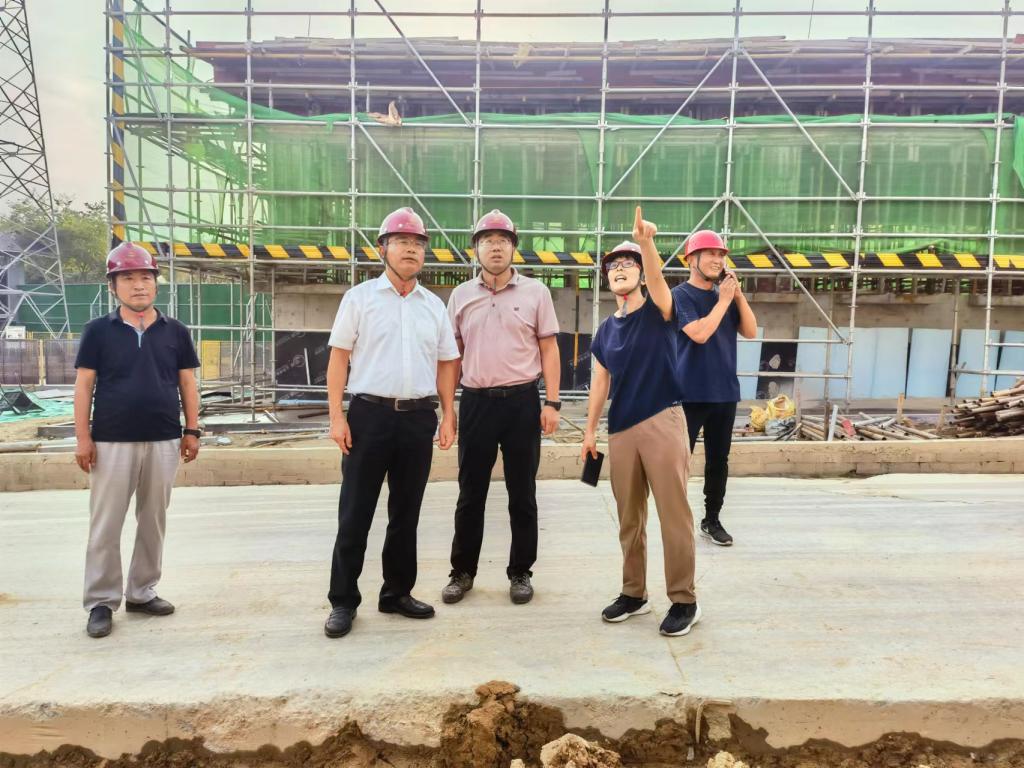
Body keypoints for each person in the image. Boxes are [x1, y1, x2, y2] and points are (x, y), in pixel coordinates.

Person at [323, 207, 460, 639]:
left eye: (418, 244)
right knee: (355, 512)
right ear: (382, 248)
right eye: (402, 242)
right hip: (369, 417)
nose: (411, 250)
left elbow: (447, 362)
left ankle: (396, 592)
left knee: (406, 514)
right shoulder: (360, 299)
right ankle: (343, 601)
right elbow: (339, 359)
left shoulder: (433, 306)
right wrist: (336, 416)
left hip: (418, 419)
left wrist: (448, 413)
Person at [581, 207, 700, 637]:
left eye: (627, 264)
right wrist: (590, 432)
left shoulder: (659, 311)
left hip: (662, 419)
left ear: (640, 274)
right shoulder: (605, 331)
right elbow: (600, 382)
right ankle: (634, 593)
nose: (619, 270)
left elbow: (658, 282)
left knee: (673, 514)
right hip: (621, 430)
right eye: (613, 266)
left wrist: (645, 244)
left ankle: (684, 600)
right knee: (629, 519)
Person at [74, 242, 201, 639]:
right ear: (113, 286)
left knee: (153, 519)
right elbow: (84, 386)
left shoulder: (175, 331)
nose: (138, 285)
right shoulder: (98, 331)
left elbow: (187, 383)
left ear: (156, 283)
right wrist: (82, 438)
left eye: (145, 277)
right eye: (127, 278)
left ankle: (142, 592)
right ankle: (101, 600)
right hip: (111, 441)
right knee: (106, 523)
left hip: (164, 439)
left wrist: (192, 429)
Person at [442, 209, 561, 606]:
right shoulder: (461, 296)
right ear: (475, 249)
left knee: (522, 493)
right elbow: (452, 357)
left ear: (513, 248)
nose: (495, 247)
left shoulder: (536, 293)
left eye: (503, 240)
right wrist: (448, 410)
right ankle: (462, 572)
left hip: (522, 403)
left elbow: (549, 348)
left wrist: (552, 402)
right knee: (470, 494)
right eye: (487, 241)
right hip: (476, 402)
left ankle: (521, 571)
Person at [672, 230, 757, 547]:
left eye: (721, 255)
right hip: (688, 393)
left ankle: (712, 519)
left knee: (718, 461)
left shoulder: (728, 296)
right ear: (691, 260)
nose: (717, 259)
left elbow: (750, 331)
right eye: (710, 253)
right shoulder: (680, 296)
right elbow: (699, 333)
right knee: (680, 461)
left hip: (724, 391)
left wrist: (738, 296)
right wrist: (723, 300)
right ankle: (676, 521)